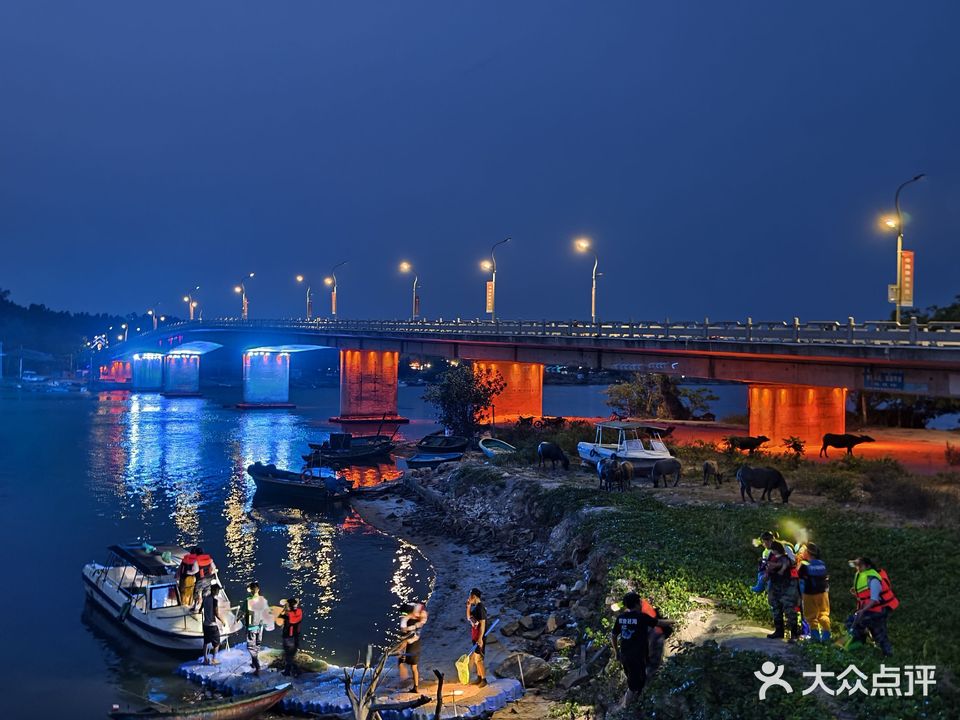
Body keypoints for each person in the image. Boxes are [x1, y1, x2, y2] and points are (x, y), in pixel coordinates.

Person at [610, 591, 658, 708]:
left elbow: (613, 635)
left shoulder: (620, 618)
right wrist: (674, 622)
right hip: (638, 657)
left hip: (625, 656)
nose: (641, 604)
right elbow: (658, 623)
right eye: (640, 602)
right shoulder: (641, 617)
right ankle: (625, 709)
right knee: (634, 684)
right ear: (637, 604)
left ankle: (634, 700)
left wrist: (616, 652)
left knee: (633, 678)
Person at [847, 557, 898, 656]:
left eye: (860, 565)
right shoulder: (863, 575)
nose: (858, 568)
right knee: (878, 633)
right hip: (872, 610)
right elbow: (866, 592)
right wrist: (856, 592)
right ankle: (887, 654)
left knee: (853, 622)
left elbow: (874, 599)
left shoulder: (873, 578)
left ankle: (857, 646)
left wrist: (863, 610)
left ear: (868, 566)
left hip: (876, 610)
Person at [765, 542, 801, 642]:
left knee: (790, 610)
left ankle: (794, 634)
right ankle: (779, 631)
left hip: (787, 587)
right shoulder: (772, 556)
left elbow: (786, 564)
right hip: (775, 586)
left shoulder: (786, 558)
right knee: (776, 609)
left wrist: (774, 566)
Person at [797, 543, 831, 643]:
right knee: (823, 614)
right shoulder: (821, 563)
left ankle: (815, 638)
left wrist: (799, 562)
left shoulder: (804, 564)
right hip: (823, 593)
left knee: (811, 616)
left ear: (808, 552)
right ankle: (826, 636)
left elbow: (799, 575)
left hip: (809, 593)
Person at [240, 581, 273, 675]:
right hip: (260, 627)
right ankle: (254, 663)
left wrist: (237, 619)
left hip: (251, 627)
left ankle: (257, 667)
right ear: (258, 589)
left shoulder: (248, 600)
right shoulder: (263, 600)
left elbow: (242, 613)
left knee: (251, 647)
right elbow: (267, 614)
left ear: (251, 590)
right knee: (257, 646)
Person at [398, 601, 429, 692]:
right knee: (413, 667)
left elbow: (408, 636)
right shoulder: (415, 618)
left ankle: (413, 685)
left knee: (411, 665)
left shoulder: (412, 620)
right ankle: (415, 686)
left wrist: (401, 647)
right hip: (415, 643)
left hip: (413, 644)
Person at [466, 588, 488, 688]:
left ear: (474, 596)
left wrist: (480, 638)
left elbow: (483, 624)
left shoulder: (481, 608)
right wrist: (468, 606)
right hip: (475, 636)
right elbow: (469, 618)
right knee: (476, 659)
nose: (468, 598)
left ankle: (484, 679)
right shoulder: (476, 608)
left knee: (479, 659)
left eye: (470, 596)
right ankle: (479, 677)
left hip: (480, 637)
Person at [278, 597, 303, 677]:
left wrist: (283, 611)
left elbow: (280, 616)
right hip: (296, 637)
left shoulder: (288, 615)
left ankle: (296, 670)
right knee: (290, 655)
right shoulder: (299, 611)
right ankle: (288, 671)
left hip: (289, 637)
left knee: (288, 656)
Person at [201, 583, 225, 665]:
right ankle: (214, 659)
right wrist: (223, 621)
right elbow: (216, 613)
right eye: (217, 590)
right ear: (214, 590)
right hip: (212, 625)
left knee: (206, 642)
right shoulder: (214, 601)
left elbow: (200, 609)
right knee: (217, 643)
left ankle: (205, 659)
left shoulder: (205, 598)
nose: (218, 592)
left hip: (205, 624)